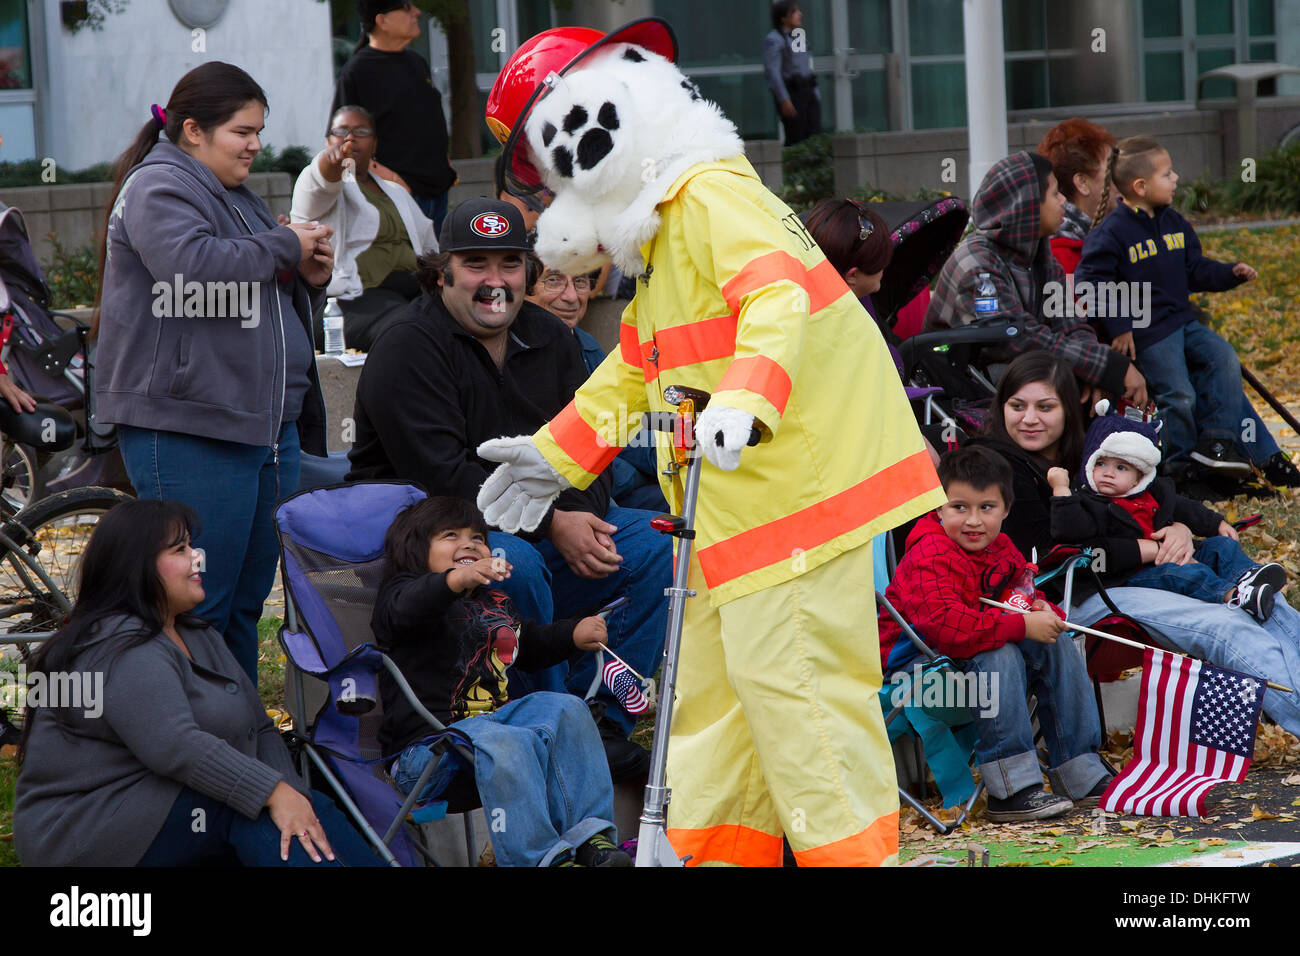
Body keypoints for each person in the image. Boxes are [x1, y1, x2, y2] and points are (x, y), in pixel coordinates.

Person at [482, 20, 944, 866]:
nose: (550, 194)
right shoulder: (666, 225)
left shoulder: (705, 195)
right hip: (744, 511)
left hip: (790, 502)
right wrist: (555, 453)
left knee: (801, 705)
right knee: (718, 712)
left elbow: (777, 299)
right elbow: (640, 367)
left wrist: (746, 397)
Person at [345, 197, 669, 782]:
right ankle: (542, 729)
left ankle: (603, 721)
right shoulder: (406, 346)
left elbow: (590, 447)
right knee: (510, 562)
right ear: (442, 269)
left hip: (536, 520)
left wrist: (580, 520)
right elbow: (445, 474)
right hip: (435, 545)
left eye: (509, 263)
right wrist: (556, 525)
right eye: (475, 264)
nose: (494, 281)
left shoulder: (551, 337)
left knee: (650, 543)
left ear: (527, 269)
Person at [94, 62, 332, 684]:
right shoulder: (159, 186)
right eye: (242, 131)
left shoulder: (237, 195)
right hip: (191, 429)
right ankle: (192, 756)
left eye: (260, 130)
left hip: (259, 426)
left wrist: (305, 271)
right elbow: (191, 269)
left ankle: (241, 744)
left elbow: (252, 288)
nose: (256, 144)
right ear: (194, 130)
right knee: (198, 606)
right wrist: (286, 247)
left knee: (243, 609)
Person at [13, 499, 380, 866]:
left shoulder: (197, 634)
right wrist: (271, 792)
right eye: (180, 550)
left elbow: (261, 729)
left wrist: (292, 794)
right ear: (135, 565)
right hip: (88, 829)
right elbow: (175, 745)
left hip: (163, 808)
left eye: (192, 546)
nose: (197, 558)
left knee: (308, 805)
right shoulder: (117, 644)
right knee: (246, 804)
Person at [972, 350, 1300, 739]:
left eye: (1045, 406)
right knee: (1226, 625)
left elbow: (1145, 504)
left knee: (1263, 599)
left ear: (1070, 409)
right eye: (1017, 405)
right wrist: (1147, 548)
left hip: (1141, 574)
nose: (1029, 418)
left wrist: (1175, 528)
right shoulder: (996, 470)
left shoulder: (1095, 456)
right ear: (1001, 406)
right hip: (1075, 595)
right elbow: (1056, 557)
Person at [373, 495, 631, 867]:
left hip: (494, 738)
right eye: (450, 535)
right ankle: (541, 858)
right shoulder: (401, 594)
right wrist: (452, 580)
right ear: (416, 550)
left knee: (568, 707)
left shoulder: (493, 601)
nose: (469, 544)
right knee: (506, 737)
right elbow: (404, 610)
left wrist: (571, 634)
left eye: (478, 537)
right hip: (429, 753)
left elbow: (526, 645)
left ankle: (591, 838)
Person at [877, 445, 1110, 821]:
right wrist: (1021, 624)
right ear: (938, 507)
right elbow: (947, 629)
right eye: (959, 507)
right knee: (1000, 650)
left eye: (986, 508)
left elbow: (1021, 590)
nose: (973, 521)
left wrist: (1040, 610)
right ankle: (1011, 789)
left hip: (971, 658)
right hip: (919, 671)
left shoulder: (1000, 547)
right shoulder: (929, 554)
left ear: (1005, 510)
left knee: (1054, 642)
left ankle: (1078, 770)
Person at [1075, 135, 1299, 488]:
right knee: (1179, 394)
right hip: (1149, 331)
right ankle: (1179, 467)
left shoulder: (1174, 222)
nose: (1176, 178)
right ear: (1140, 186)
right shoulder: (1112, 233)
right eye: (1167, 174)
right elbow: (1091, 282)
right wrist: (1119, 326)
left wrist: (1229, 273)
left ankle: (1217, 443)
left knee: (1223, 358)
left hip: (1183, 321)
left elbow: (1195, 268)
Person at [925, 151, 1148, 413]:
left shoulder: (1040, 256)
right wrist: (1108, 365)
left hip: (1020, 384)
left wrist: (1095, 374)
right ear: (1028, 205)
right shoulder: (978, 262)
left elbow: (1071, 323)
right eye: (1055, 194)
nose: (1064, 200)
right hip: (967, 392)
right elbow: (1016, 339)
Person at [1047, 405, 1286, 621]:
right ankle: (1234, 596)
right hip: (1135, 574)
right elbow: (1070, 530)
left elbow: (1185, 508)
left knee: (1220, 547)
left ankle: (1249, 577)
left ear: (1139, 476)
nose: (1108, 473)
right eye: (1100, 464)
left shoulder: (1155, 492)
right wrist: (1061, 490)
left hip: (1172, 553)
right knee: (1185, 574)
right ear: (1089, 463)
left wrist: (1215, 523)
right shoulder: (1089, 502)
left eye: (1121, 467)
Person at [291, 104, 437, 352]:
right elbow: (322, 178)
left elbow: (429, 244)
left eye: (360, 131)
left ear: (375, 144)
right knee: (411, 328)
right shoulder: (322, 184)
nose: (350, 138)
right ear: (328, 141)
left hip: (410, 294)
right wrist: (330, 162)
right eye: (341, 131)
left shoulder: (396, 192)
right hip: (349, 303)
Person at [525, 264, 668, 512]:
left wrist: (666, 461)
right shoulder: (516, 353)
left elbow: (632, 423)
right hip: (568, 504)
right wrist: (632, 472)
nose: (571, 296)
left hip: (623, 491)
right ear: (523, 287)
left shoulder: (586, 345)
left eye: (580, 282)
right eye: (554, 280)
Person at [333, 0, 455, 233]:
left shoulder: (417, 62)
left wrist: (444, 159)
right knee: (409, 268)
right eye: (407, 8)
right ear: (382, 20)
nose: (417, 12)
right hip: (396, 196)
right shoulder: (358, 71)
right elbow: (341, 140)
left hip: (437, 191)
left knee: (437, 266)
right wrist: (390, 179)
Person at [1035, 117, 1117, 275]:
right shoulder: (1063, 256)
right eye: (1111, 168)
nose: (1121, 176)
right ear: (1082, 183)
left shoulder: (1092, 240)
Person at [763, 1, 821, 146]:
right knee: (796, 136)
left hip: (808, 90)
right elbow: (773, 72)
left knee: (814, 134)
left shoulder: (798, 36)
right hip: (793, 93)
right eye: (794, 12)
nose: (799, 14)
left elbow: (806, 66)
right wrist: (784, 99)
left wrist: (815, 94)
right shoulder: (774, 39)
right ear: (784, 18)